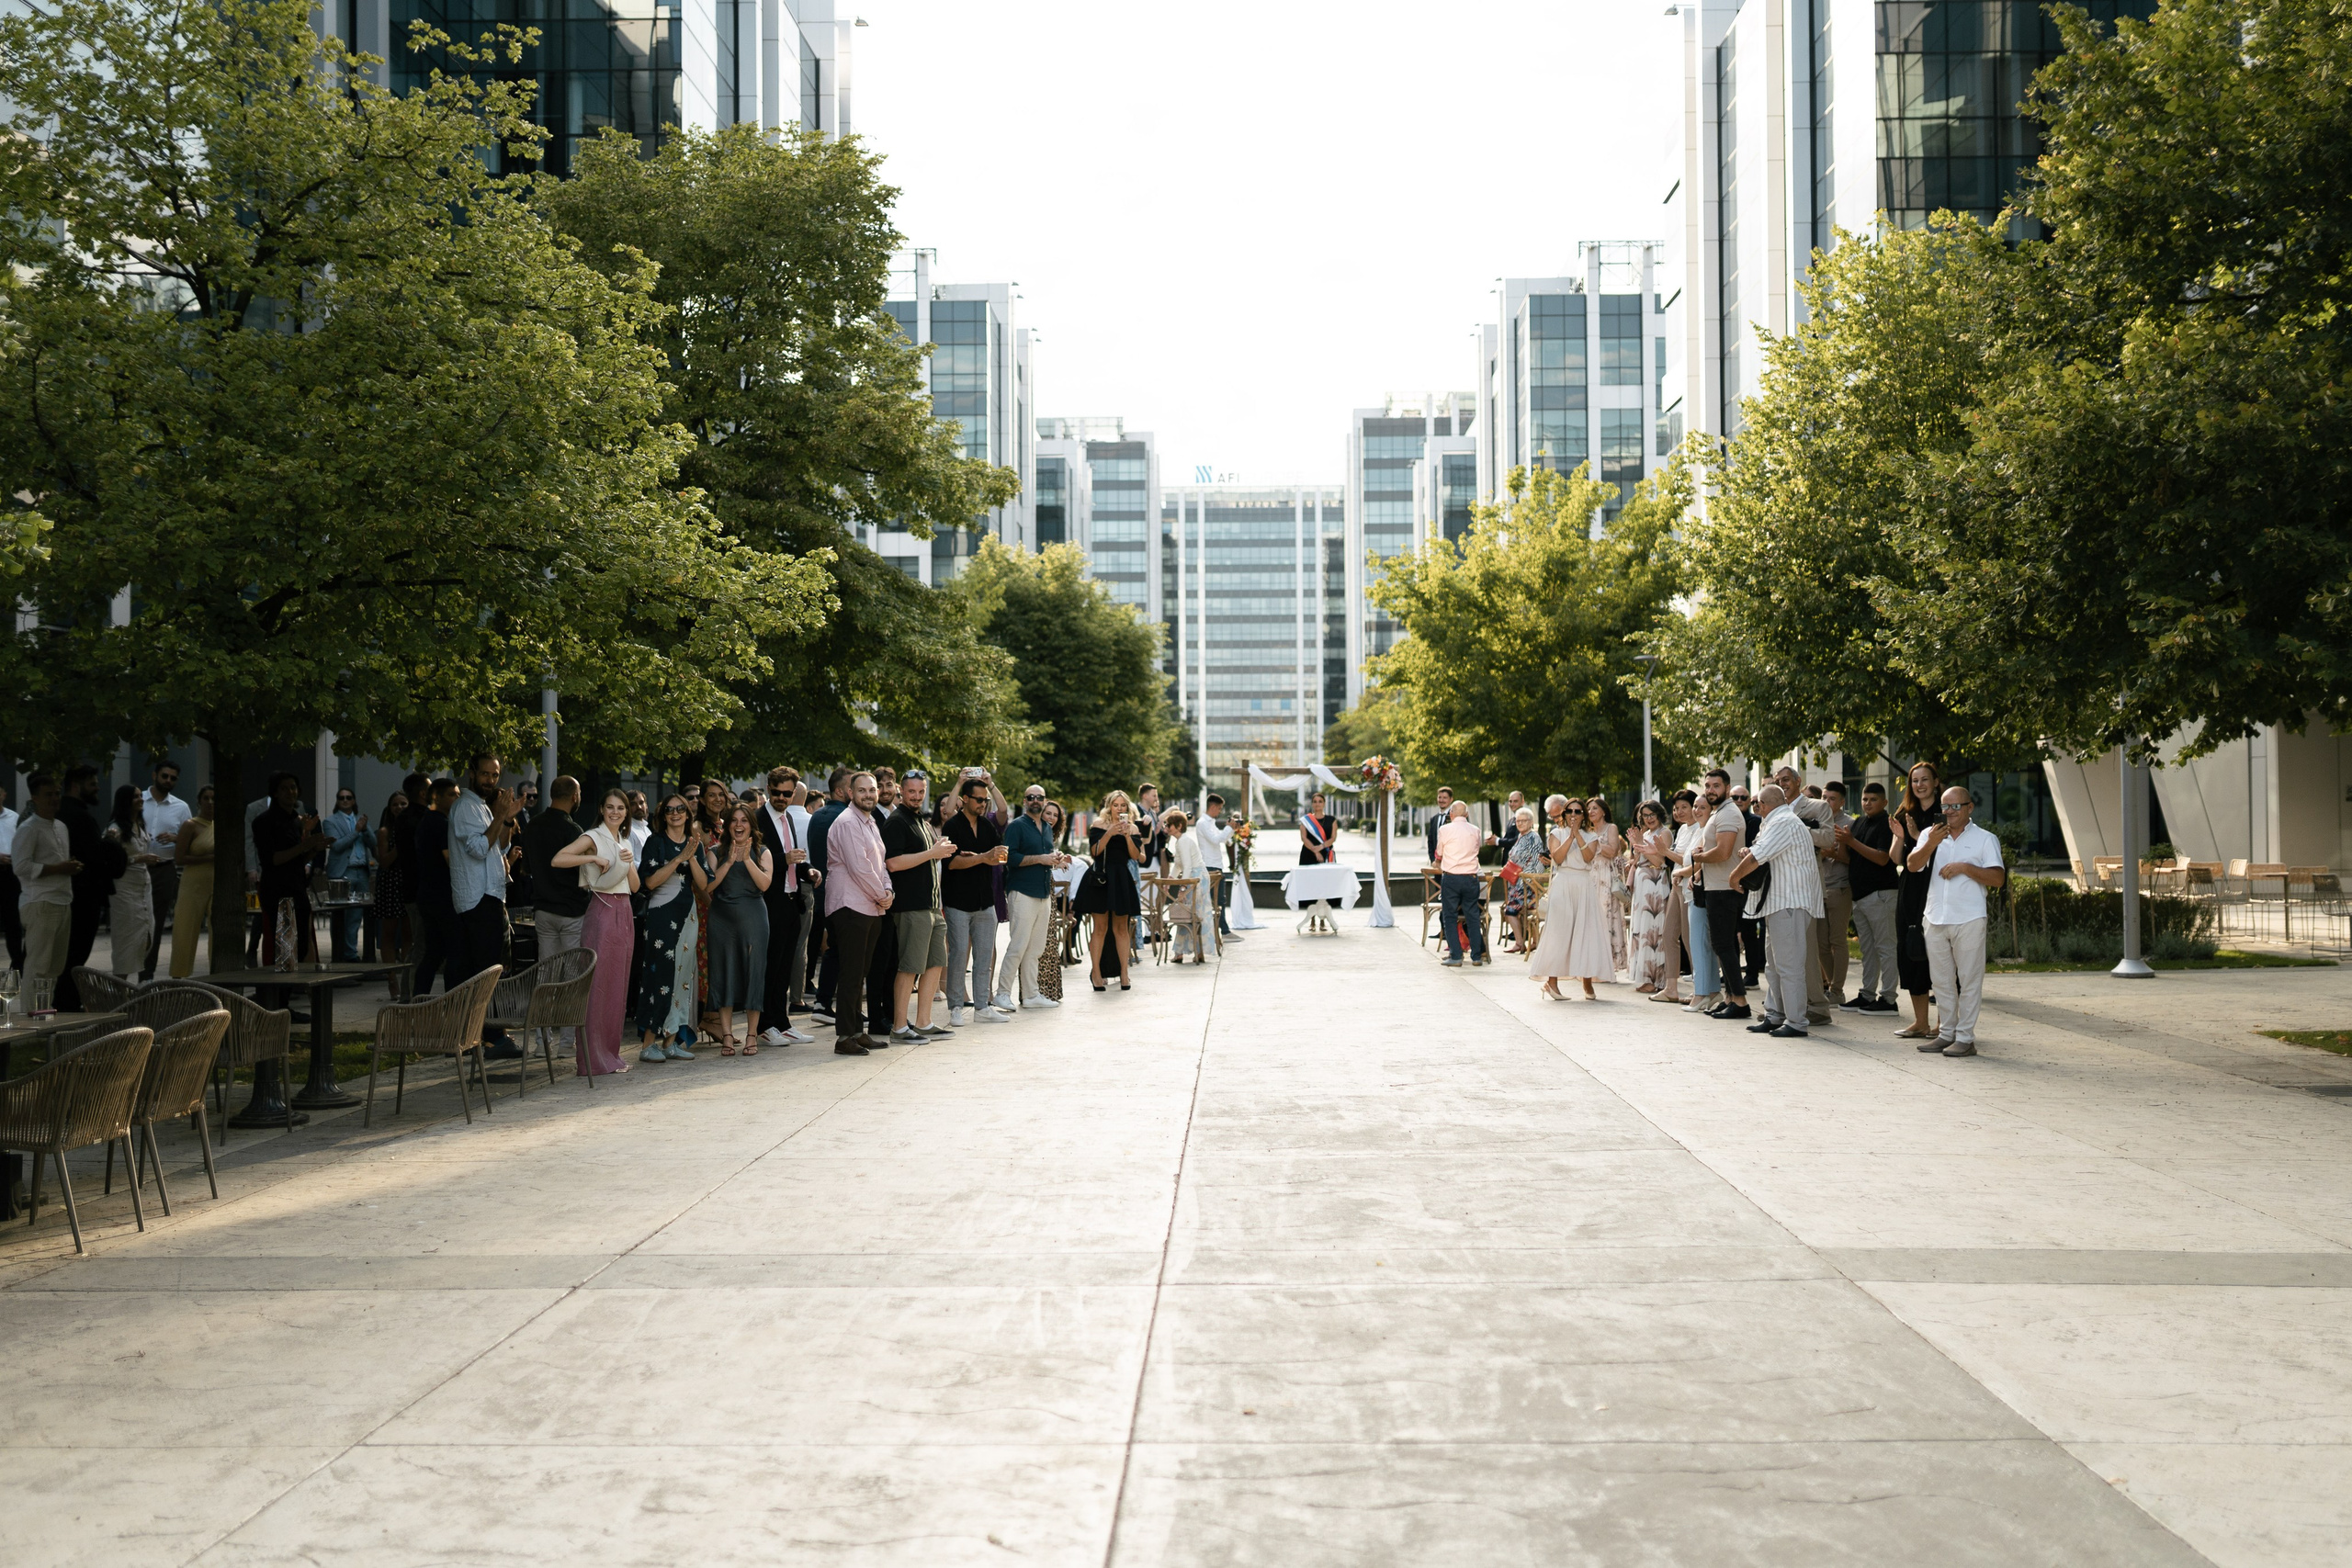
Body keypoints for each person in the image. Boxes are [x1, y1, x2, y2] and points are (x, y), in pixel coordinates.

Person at [549, 788, 640, 1076]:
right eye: (610, 807)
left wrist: (629, 862)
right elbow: (558, 859)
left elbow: (636, 886)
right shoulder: (593, 836)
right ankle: (593, 1059)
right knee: (598, 987)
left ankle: (611, 1055)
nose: (615, 812)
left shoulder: (624, 839)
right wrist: (591, 859)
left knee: (617, 986)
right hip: (602, 911)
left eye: (621, 808)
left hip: (624, 911)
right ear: (601, 809)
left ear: (626, 813)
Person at [1908, 784, 2005, 1058]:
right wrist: (1931, 843)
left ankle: (1965, 1038)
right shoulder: (1930, 834)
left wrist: (1965, 868)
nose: (1949, 812)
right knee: (1940, 982)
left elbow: (1998, 879)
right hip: (1935, 917)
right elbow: (1913, 865)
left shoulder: (1985, 839)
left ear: (1969, 808)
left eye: (1955, 806)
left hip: (1969, 918)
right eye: (1945, 806)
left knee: (1969, 980)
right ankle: (1946, 1033)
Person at [1727, 784, 1824, 1039]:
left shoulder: (1783, 822)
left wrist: (1734, 877)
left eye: (1757, 803)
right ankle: (1775, 1015)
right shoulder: (1776, 821)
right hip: (1779, 903)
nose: (1755, 807)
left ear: (1764, 805)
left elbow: (1757, 857)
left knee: (1789, 966)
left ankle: (1796, 1022)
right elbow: (1761, 852)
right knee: (1774, 965)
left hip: (1790, 903)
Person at [822, 771, 895, 1055]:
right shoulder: (848, 822)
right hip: (850, 906)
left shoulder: (870, 821)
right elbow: (859, 867)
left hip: (871, 905)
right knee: (851, 973)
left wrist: (888, 891)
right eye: (862, 790)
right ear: (850, 793)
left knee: (861, 972)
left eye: (872, 790)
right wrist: (882, 895)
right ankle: (844, 1037)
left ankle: (856, 1032)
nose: (868, 795)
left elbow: (880, 863)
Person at [881, 771, 955, 1043]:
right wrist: (932, 853)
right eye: (911, 791)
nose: (916, 796)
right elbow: (893, 863)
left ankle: (924, 1022)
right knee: (909, 966)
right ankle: (900, 1027)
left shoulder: (920, 820)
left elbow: (925, 857)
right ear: (901, 791)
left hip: (932, 905)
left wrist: (938, 850)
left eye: (921, 791)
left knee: (936, 963)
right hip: (911, 906)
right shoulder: (896, 821)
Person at [450, 754, 521, 1039]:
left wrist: (508, 819)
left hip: (490, 896)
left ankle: (482, 1035)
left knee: (488, 970)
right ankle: (491, 1038)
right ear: (471, 773)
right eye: (485, 774)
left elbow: (499, 848)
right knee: (486, 973)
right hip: (477, 899)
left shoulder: (481, 807)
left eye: (495, 775)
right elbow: (479, 849)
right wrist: (500, 816)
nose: (490, 780)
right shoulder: (465, 807)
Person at [695, 802, 772, 1055]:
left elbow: (764, 884)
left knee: (754, 973)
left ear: (751, 825)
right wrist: (728, 862)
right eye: (734, 820)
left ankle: (751, 1034)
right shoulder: (715, 851)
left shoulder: (762, 851)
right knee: (723, 973)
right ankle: (727, 1035)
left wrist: (747, 859)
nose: (739, 825)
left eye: (744, 820)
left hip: (754, 917)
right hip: (722, 919)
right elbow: (708, 887)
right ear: (727, 826)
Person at [632, 794, 704, 1063]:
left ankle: (671, 1042)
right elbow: (649, 883)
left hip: (688, 915)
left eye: (680, 809)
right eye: (669, 810)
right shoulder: (656, 842)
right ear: (663, 815)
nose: (675, 813)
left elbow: (703, 883)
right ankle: (648, 1044)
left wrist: (691, 857)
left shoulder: (695, 843)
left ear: (687, 813)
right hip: (662, 914)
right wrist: (677, 860)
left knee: (683, 976)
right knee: (659, 976)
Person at [941, 773, 1011, 1024]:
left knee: (984, 957)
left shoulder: (987, 826)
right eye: (979, 799)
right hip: (958, 901)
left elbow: (1000, 856)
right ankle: (955, 1007)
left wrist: (982, 857)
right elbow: (952, 863)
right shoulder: (952, 826)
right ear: (965, 799)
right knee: (959, 955)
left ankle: (982, 1006)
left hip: (985, 901)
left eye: (985, 800)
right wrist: (982, 858)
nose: (983, 804)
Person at [1529, 795, 1613, 998]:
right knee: (1559, 934)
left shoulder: (1591, 836)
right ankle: (1552, 983)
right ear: (1564, 814)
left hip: (1584, 884)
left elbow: (1588, 857)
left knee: (1586, 933)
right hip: (1563, 883)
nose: (1573, 815)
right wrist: (1570, 837)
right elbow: (1558, 858)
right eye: (1569, 811)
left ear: (1583, 815)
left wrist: (1578, 835)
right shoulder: (1556, 833)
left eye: (1577, 811)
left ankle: (1587, 983)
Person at [754, 766, 815, 1047]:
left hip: (792, 900)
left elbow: (793, 859)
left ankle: (782, 1022)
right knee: (771, 967)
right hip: (770, 902)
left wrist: (808, 871)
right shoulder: (758, 819)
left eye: (787, 793)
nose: (781, 797)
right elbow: (755, 861)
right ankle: (765, 1025)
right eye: (777, 792)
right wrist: (786, 859)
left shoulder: (788, 816)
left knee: (786, 966)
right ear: (768, 790)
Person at [997, 784, 1067, 1009]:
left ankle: (1030, 996)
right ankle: (1002, 994)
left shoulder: (1046, 827)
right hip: (1022, 892)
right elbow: (1008, 858)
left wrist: (1055, 858)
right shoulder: (1016, 826)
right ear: (1025, 801)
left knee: (1035, 949)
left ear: (1044, 801)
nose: (1035, 800)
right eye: (1031, 797)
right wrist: (1041, 859)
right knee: (1018, 946)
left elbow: (1044, 856)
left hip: (1043, 893)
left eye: (1039, 797)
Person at [1691, 769, 1753, 1021]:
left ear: (1727, 788)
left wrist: (1698, 857)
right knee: (1724, 945)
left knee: (1723, 945)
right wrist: (1699, 871)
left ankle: (1740, 1002)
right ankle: (1730, 998)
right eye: (1707, 785)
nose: (1710, 790)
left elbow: (1723, 852)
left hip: (1725, 890)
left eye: (1716, 785)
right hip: (1717, 887)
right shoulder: (1720, 812)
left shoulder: (1728, 812)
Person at [1891, 762, 1944, 1040]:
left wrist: (1917, 838)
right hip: (1911, 890)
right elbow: (1895, 859)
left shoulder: (1946, 813)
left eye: (1925, 780)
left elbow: (1945, 853)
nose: (1919, 785)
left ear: (1936, 782)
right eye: (1914, 781)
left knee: (1941, 955)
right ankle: (1920, 1022)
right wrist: (1901, 837)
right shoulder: (1905, 813)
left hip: (1938, 886)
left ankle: (1944, 1023)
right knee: (1911, 950)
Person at [1838, 782, 1902, 1014]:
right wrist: (1841, 843)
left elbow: (1883, 859)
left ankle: (1889, 999)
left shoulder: (1887, 824)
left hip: (1881, 894)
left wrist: (1851, 841)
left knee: (1886, 947)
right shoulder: (1859, 823)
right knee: (1868, 950)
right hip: (1860, 896)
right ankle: (1867, 995)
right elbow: (1849, 858)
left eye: (1873, 800)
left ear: (1885, 802)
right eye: (1865, 799)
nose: (1867, 803)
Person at [252, 772, 326, 965]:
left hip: (297, 887)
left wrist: (314, 849)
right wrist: (304, 846)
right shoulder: (264, 822)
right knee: (285, 948)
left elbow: (297, 860)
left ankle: (295, 981)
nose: (290, 792)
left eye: (293, 787)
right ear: (275, 793)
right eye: (284, 788)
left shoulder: (295, 820)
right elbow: (273, 859)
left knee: (302, 944)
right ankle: (283, 985)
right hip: (278, 890)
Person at [14, 774, 76, 999]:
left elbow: (58, 863)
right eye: (48, 794)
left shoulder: (61, 826)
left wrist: (67, 867)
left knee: (54, 969)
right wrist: (59, 868)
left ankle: (44, 1014)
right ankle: (31, 1017)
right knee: (38, 966)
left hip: (63, 900)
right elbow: (20, 866)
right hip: (40, 902)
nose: (54, 799)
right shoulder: (29, 828)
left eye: (57, 793)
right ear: (35, 798)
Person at [1076, 789, 1144, 989]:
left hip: (1121, 878)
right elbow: (1095, 852)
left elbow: (1135, 856)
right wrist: (1110, 833)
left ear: (1128, 808)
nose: (1119, 809)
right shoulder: (1099, 824)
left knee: (1122, 929)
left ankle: (1124, 974)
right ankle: (1096, 973)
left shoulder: (1133, 828)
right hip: (1101, 878)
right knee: (1100, 928)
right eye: (1116, 805)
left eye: (1123, 805)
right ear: (1110, 807)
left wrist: (1127, 835)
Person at [55, 765, 110, 1010]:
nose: (97, 788)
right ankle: (67, 1003)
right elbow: (96, 856)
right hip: (83, 897)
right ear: (76, 786)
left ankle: (66, 1001)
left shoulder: (65, 814)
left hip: (72, 894)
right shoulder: (78, 817)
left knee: (68, 955)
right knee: (74, 955)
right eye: (92, 784)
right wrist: (112, 846)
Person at [805, 766, 851, 1023]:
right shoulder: (846, 817)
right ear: (841, 791)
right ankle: (835, 1007)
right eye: (854, 787)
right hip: (841, 896)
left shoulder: (818, 815)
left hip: (822, 894)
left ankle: (823, 1003)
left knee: (834, 950)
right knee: (845, 952)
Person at [139, 761, 189, 980]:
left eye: (173, 778)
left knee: (156, 924)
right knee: (134, 923)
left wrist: (176, 838)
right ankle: (123, 974)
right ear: (154, 775)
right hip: (136, 868)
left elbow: (190, 839)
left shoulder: (181, 807)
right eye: (165, 776)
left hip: (164, 869)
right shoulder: (138, 799)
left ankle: (146, 976)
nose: (168, 781)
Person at [410, 780, 461, 997]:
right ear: (436, 797)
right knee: (454, 951)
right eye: (452, 794)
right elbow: (451, 860)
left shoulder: (428, 821)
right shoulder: (440, 823)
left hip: (429, 895)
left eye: (458, 794)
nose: (457, 798)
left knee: (434, 953)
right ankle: (451, 1002)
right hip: (442, 896)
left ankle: (419, 998)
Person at [103, 785, 159, 978]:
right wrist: (138, 859)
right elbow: (109, 860)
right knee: (126, 939)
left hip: (143, 887)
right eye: (135, 797)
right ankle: (120, 984)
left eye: (140, 796)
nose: (140, 799)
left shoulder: (139, 825)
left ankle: (135, 981)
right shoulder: (115, 829)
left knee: (147, 934)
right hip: (124, 889)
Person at [1432, 799, 1487, 968]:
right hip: (1471, 877)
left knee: (1450, 916)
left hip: (1452, 877)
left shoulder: (1445, 829)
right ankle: (1477, 956)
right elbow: (1476, 850)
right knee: (1473, 916)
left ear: (1451, 814)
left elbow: (1439, 852)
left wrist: (1438, 860)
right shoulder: (1475, 830)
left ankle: (1456, 956)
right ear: (1467, 814)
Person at [1627, 800, 1675, 993]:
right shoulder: (1645, 834)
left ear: (1659, 814)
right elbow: (1638, 860)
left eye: (1652, 814)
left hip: (1656, 883)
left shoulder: (1664, 833)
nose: (1649, 818)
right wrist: (1635, 849)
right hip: (1642, 884)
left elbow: (1661, 862)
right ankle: (1643, 976)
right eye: (1645, 815)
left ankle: (1655, 979)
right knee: (1641, 929)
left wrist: (1639, 844)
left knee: (1653, 931)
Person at [1815, 780, 1855, 1006]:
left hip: (1840, 887)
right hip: (1818, 888)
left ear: (1841, 802)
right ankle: (1833, 988)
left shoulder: (1849, 824)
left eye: (1832, 799)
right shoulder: (1816, 822)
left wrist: (1833, 853)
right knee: (1820, 943)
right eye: (1824, 797)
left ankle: (1837, 989)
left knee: (1837, 940)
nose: (1827, 802)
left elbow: (1852, 861)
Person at [320, 786, 368, 960]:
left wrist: (365, 829)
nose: (345, 800)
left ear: (353, 800)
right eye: (342, 798)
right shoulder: (330, 821)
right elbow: (337, 846)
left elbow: (372, 842)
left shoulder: (360, 819)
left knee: (356, 917)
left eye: (348, 797)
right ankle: (340, 954)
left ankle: (351, 953)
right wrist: (356, 831)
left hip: (361, 871)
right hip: (343, 871)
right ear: (337, 801)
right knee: (341, 916)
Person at [1160, 808, 1209, 960]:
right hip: (1194, 878)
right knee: (1186, 914)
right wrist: (1169, 880)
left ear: (1179, 826)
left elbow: (1187, 866)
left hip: (1195, 879)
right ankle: (1182, 952)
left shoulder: (1183, 841)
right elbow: (1178, 865)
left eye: (1169, 825)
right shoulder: (1181, 841)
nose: (1167, 828)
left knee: (1191, 915)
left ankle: (1194, 952)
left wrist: (1182, 889)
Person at [1586, 795, 1626, 980]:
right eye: (1588, 809)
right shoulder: (1586, 830)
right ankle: (1591, 966)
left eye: (1595, 808)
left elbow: (1612, 851)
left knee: (1605, 919)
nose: (1591, 812)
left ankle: (1607, 967)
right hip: (1589, 875)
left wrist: (1594, 844)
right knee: (1590, 921)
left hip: (1605, 876)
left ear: (1603, 811)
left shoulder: (1611, 828)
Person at [371, 790, 412, 964]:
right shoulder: (385, 831)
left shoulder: (414, 826)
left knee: (408, 934)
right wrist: (400, 845)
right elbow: (384, 862)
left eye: (403, 803)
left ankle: (407, 976)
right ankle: (391, 976)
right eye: (395, 804)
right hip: (390, 883)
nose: (399, 807)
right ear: (389, 808)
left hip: (409, 881)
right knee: (388, 933)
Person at [1498, 807, 1544, 952]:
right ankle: (1533, 941)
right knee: (1521, 913)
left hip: (1526, 884)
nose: (1520, 823)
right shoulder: (1521, 836)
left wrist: (1532, 882)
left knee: (1510, 911)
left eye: (1523, 821)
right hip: (1517, 883)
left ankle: (1520, 943)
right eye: (1518, 821)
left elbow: (1538, 861)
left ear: (1531, 822)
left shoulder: (1533, 837)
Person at [1195, 793, 1237, 943]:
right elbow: (1216, 839)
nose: (1219, 812)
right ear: (1213, 807)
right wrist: (1228, 828)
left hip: (1216, 864)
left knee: (1220, 899)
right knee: (1216, 900)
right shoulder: (1203, 823)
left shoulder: (1210, 822)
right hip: (1209, 865)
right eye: (1219, 809)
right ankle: (1222, 931)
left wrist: (1231, 829)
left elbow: (1222, 838)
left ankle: (1222, 930)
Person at [0, 782, 19, 973]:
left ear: (4, 795)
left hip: (11, 873)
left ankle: (17, 963)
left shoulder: (14, 818)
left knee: (13, 921)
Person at [1424, 785, 1455, 864]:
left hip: (1452, 862)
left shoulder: (1455, 818)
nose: (1441, 800)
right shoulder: (1434, 819)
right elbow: (1430, 841)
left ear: (1451, 799)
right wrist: (1433, 860)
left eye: (1445, 798)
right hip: (1437, 863)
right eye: (1439, 797)